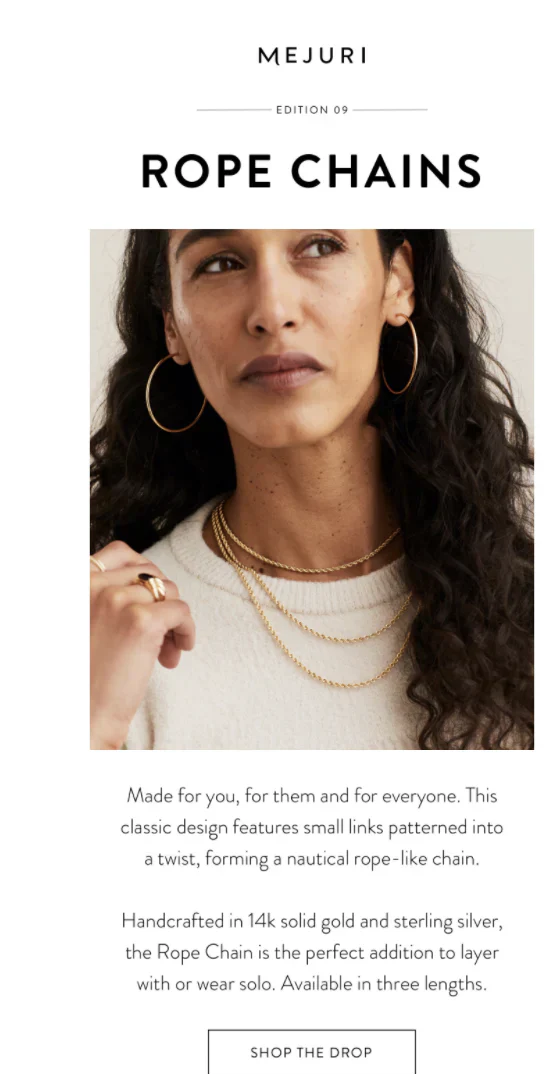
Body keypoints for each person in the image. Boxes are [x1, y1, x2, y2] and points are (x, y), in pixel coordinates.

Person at [90, 229, 533, 751]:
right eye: (220, 264)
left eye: (320, 247)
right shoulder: (110, 649)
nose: (273, 312)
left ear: (398, 283)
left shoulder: (529, 607)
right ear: (173, 327)